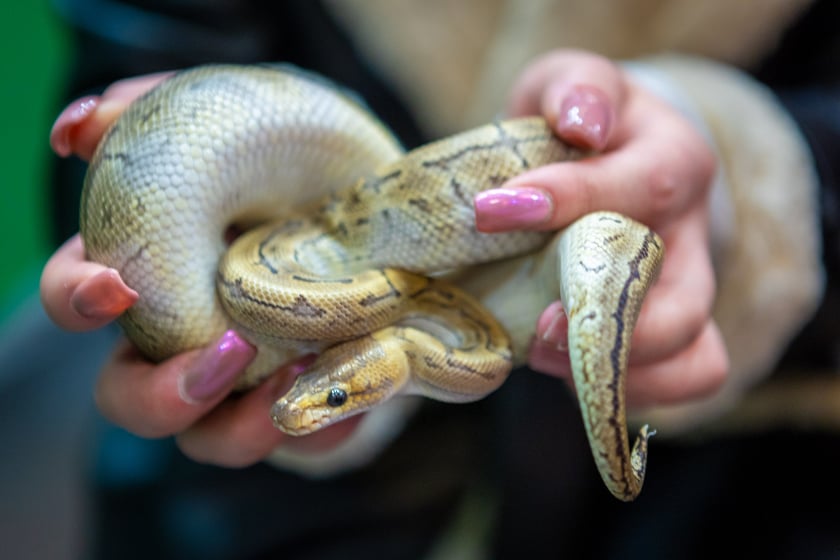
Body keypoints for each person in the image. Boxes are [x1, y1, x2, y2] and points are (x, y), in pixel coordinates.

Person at [35, 0, 839, 557]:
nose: (311, 401)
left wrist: (737, 186)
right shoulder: (419, 341)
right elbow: (117, 94)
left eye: (338, 393)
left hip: (742, 506)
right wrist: (122, 158)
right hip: (256, 524)